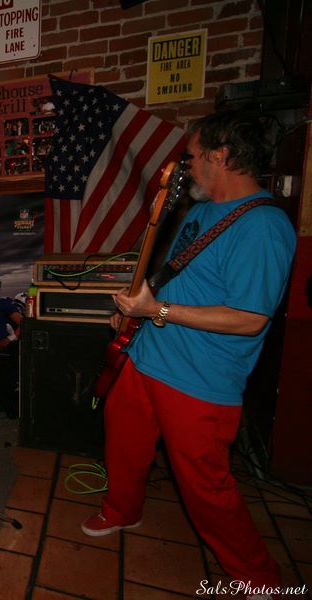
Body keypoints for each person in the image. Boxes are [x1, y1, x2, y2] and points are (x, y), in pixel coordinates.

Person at [80, 109, 296, 594]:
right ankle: (122, 510)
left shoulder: (263, 226)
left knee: (206, 487)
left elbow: (250, 318)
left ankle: (259, 579)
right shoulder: (200, 212)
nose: (186, 165)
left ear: (221, 156)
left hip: (199, 379)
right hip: (146, 356)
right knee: (124, 443)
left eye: (192, 156)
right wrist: (137, 311)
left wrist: (158, 309)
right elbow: (174, 276)